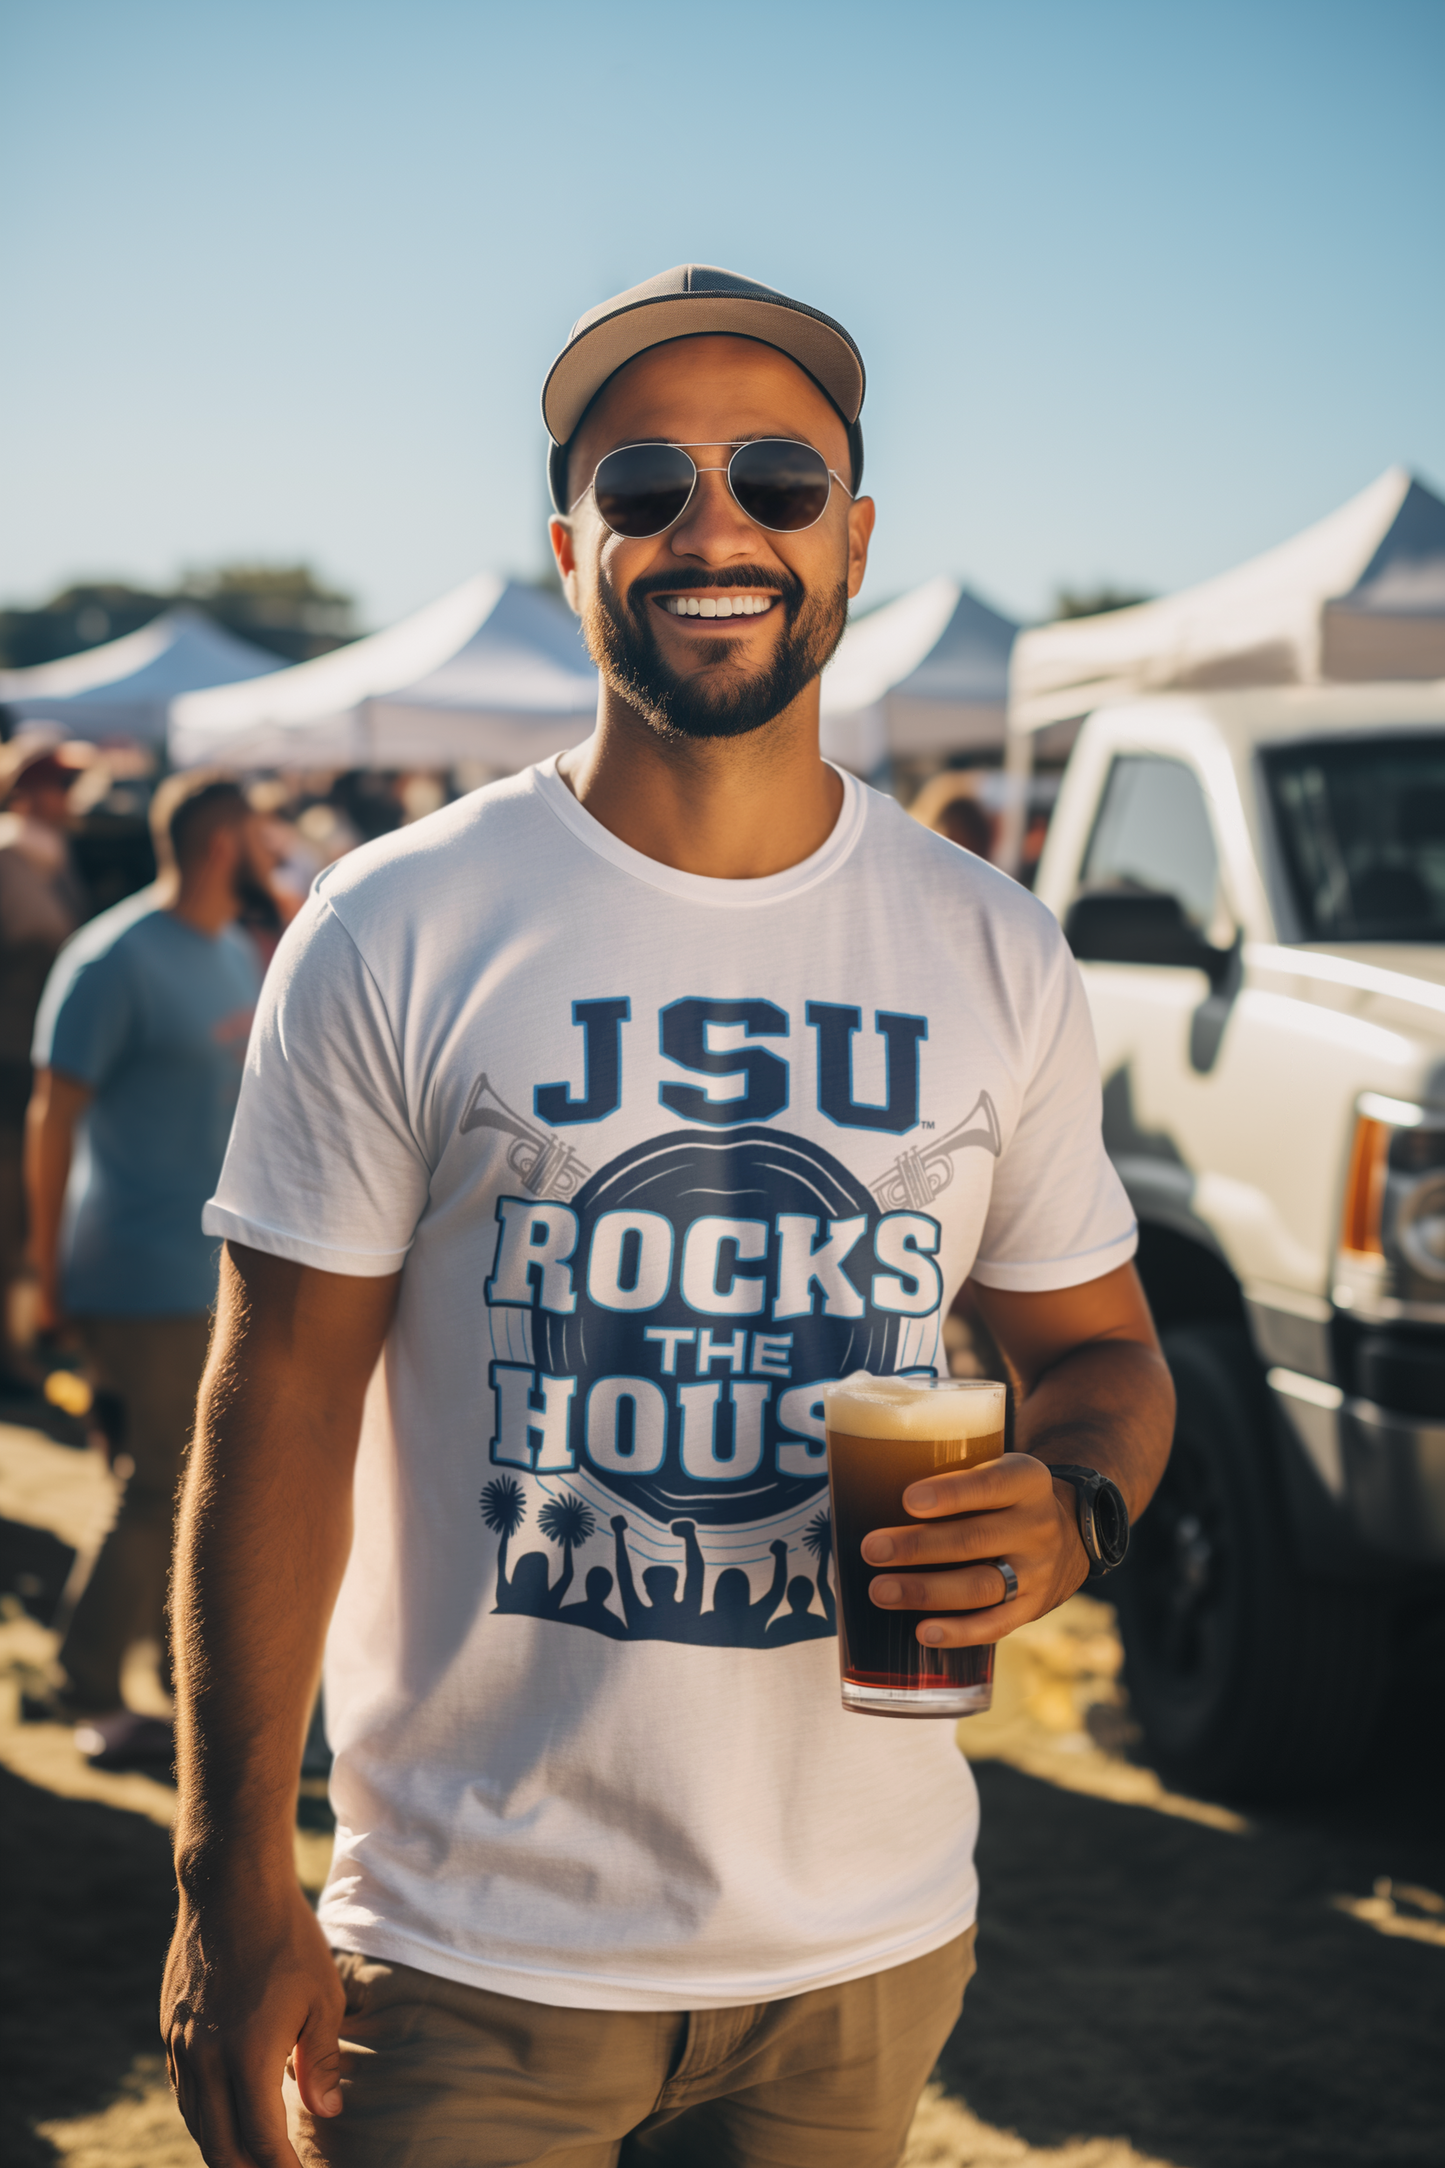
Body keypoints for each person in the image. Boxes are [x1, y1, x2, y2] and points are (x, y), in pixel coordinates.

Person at [162, 265, 1175, 2168]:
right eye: (647, 487)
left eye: (779, 482)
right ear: (572, 549)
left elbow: (1103, 1350)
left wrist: (1078, 1505)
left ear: (854, 539)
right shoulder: (397, 922)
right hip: (468, 1950)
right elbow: (276, 1399)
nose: (716, 528)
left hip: (867, 1949)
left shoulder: (991, 941)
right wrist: (231, 1878)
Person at [23, 774, 266, 1747]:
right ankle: (82, 1684)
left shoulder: (229, 952)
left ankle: (177, 1676)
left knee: (202, 1482)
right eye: (257, 834)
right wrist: (46, 1272)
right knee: (160, 1483)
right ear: (223, 844)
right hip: (134, 1265)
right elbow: (53, 1114)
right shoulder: (114, 956)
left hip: (217, 1264)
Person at [0, 737, 90, 1391]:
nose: (69, 800)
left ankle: (20, 1345)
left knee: (26, 1212)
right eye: (58, 787)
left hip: (30, 1063)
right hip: (8, 1064)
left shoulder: (49, 859)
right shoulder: (11, 858)